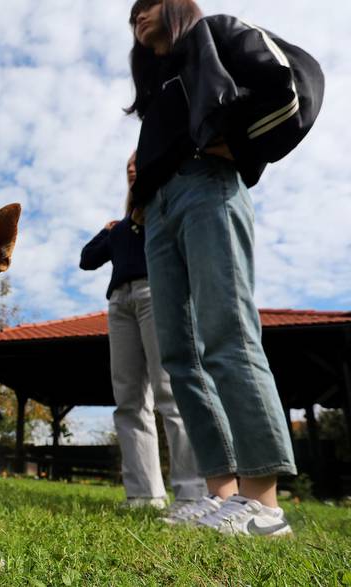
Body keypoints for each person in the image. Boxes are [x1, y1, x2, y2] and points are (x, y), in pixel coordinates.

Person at [126, 0, 323, 534]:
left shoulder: (214, 33)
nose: (138, 16)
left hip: (208, 188)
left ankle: (264, 504)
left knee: (226, 330)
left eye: (146, 7)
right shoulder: (163, 82)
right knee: (178, 354)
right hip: (161, 213)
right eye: (132, 15)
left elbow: (293, 79)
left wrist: (241, 144)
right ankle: (223, 495)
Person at [80, 151, 205, 509]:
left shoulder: (162, 211)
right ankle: (144, 494)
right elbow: (87, 259)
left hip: (156, 293)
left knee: (169, 390)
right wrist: (108, 230)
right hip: (119, 303)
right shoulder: (118, 228)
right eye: (127, 166)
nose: (132, 168)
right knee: (129, 398)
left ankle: (192, 490)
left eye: (138, 162)